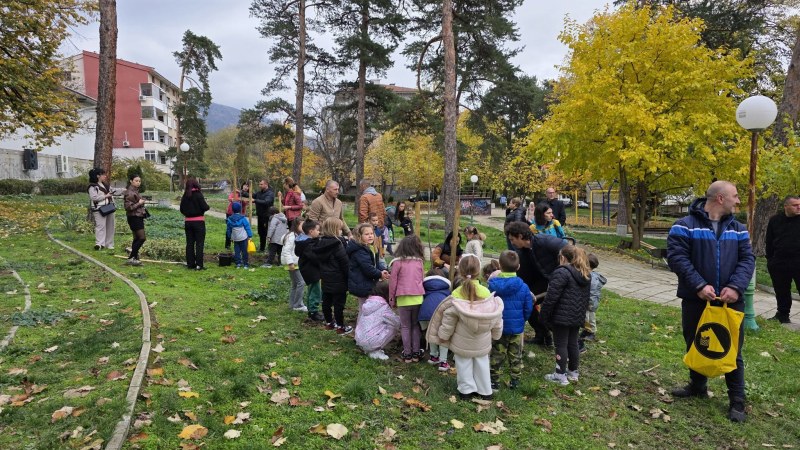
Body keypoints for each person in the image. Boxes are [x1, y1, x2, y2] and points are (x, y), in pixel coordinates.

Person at [666, 180, 754, 423]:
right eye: (735, 196)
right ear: (720, 199)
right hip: (696, 299)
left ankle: (737, 401)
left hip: (730, 301)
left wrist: (736, 287)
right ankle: (697, 386)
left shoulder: (738, 229)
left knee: (732, 349)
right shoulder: (683, 226)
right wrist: (699, 285)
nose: (738, 200)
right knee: (696, 341)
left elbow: (747, 260)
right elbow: (677, 258)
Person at [426, 255, 504, 401]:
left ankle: (466, 391)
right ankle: (485, 390)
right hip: (482, 341)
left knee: (463, 365)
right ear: (479, 271)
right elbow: (496, 317)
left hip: (462, 342)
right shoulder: (486, 293)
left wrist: (443, 335)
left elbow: (449, 319)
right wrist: (497, 333)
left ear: (460, 272)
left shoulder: (456, 294)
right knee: (482, 363)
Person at [505, 221, 567, 346]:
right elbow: (522, 274)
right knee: (525, 301)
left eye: (512, 239)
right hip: (542, 280)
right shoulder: (522, 253)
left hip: (556, 280)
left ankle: (566, 339)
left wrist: (564, 272)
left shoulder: (544, 241)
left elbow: (568, 249)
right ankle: (542, 334)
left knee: (553, 312)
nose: (511, 243)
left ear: (521, 236)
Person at [539, 245, 591, 385]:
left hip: (561, 316)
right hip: (577, 315)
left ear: (562, 257)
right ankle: (573, 372)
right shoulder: (585, 273)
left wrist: (544, 314)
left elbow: (551, 296)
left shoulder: (561, 272)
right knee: (573, 343)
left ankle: (560, 374)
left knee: (561, 344)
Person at [489, 250, 533, 390]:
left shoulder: (492, 285)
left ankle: (494, 382)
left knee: (496, 354)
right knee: (515, 356)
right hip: (516, 328)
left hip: (499, 327)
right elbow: (528, 307)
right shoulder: (524, 287)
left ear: (500, 266)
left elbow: (488, 304)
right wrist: (522, 320)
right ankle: (515, 381)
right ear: (518, 266)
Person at [306, 217, 351, 334]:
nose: (341, 231)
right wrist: (349, 278)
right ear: (335, 229)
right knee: (339, 304)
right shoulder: (338, 244)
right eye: (340, 229)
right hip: (339, 279)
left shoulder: (320, 243)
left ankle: (329, 322)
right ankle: (341, 326)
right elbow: (344, 263)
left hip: (325, 278)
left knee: (326, 301)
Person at [389, 234, 426, 363]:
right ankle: (416, 353)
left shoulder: (397, 263)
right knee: (415, 326)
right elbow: (422, 279)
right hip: (417, 298)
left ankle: (407, 354)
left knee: (405, 326)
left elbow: (392, 282)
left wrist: (391, 298)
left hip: (403, 298)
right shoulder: (419, 262)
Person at [765, 195, 800, 323]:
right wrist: (770, 260)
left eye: (799, 204)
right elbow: (769, 241)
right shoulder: (775, 220)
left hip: (798, 262)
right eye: (795, 205)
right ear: (786, 206)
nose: (799, 207)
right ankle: (782, 315)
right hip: (779, 262)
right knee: (781, 290)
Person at [354, 281, 400, 361]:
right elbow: (396, 322)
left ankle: (368, 348)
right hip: (370, 342)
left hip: (359, 339)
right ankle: (375, 351)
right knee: (393, 326)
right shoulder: (383, 307)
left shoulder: (367, 303)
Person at [348, 223, 389, 311]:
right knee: (365, 309)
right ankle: (363, 324)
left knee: (364, 308)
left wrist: (382, 270)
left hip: (365, 282)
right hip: (362, 283)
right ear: (359, 236)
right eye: (366, 234)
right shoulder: (359, 251)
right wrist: (379, 274)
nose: (370, 236)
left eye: (371, 234)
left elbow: (373, 264)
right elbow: (368, 269)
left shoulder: (368, 247)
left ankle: (364, 324)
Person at [420, 268, 452, 371]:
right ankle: (443, 362)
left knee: (431, 334)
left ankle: (433, 356)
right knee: (444, 337)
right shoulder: (446, 289)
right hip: (443, 313)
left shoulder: (425, 287)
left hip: (428, 313)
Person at [295, 219, 325, 322]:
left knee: (312, 289)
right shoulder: (308, 244)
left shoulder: (302, 241)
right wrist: (323, 261)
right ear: (311, 231)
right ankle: (314, 311)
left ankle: (311, 310)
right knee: (315, 290)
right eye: (317, 230)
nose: (319, 232)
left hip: (307, 269)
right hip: (311, 270)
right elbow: (314, 257)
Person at [88, 168, 123, 250]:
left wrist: (124, 190)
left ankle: (109, 244)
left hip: (109, 207)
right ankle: (99, 244)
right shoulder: (92, 187)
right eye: (103, 174)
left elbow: (114, 191)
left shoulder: (106, 185)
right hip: (99, 209)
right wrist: (106, 196)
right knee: (100, 226)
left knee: (111, 226)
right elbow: (94, 197)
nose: (105, 176)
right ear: (98, 176)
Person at [179, 178, 210, 270]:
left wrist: (188, 214)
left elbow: (181, 209)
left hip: (188, 222)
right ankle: (199, 265)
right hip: (198, 222)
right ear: (196, 185)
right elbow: (205, 207)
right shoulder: (198, 194)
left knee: (189, 243)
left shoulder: (185, 196)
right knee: (199, 243)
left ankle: (190, 264)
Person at [580, 253, 607, 352]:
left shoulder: (592, 278)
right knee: (585, 317)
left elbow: (591, 292)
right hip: (588, 301)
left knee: (590, 317)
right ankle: (587, 330)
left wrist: (588, 302)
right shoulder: (588, 275)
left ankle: (592, 332)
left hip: (590, 302)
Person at [281, 217, 307, 312]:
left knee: (295, 284)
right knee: (301, 283)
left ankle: (292, 304)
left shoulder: (299, 235)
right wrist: (290, 263)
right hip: (293, 263)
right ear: (296, 225)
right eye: (302, 225)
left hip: (295, 262)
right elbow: (287, 251)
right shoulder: (291, 236)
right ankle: (298, 305)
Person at [123, 174, 148, 266]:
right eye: (136, 181)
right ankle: (131, 257)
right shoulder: (130, 192)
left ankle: (134, 257)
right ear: (131, 181)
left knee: (136, 238)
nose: (138, 183)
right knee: (142, 238)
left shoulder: (135, 191)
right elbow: (128, 207)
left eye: (139, 181)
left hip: (137, 216)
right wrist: (139, 203)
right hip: (134, 217)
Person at [226, 202, 253, 269]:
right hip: (243, 237)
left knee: (237, 251)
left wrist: (230, 237)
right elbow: (247, 227)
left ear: (232, 209)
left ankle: (238, 263)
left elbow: (228, 229)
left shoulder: (229, 219)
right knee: (244, 251)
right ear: (240, 209)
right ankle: (245, 264)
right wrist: (250, 235)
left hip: (235, 238)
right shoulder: (243, 218)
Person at [225, 183, 250, 249]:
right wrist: (235, 199)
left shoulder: (247, 195)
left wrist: (243, 200)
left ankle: (241, 244)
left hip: (240, 214)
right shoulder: (236, 192)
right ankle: (228, 245)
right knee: (229, 228)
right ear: (242, 186)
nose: (246, 187)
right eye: (245, 185)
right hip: (231, 213)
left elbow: (246, 203)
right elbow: (230, 198)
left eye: (248, 186)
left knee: (240, 229)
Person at [253, 179, 275, 252]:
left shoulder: (270, 193)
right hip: (260, 215)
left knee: (267, 232)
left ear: (266, 184)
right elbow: (252, 195)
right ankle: (262, 248)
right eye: (259, 184)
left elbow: (266, 202)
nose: (260, 186)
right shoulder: (259, 193)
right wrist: (243, 192)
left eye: (261, 184)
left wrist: (256, 200)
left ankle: (270, 249)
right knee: (261, 232)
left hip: (267, 216)